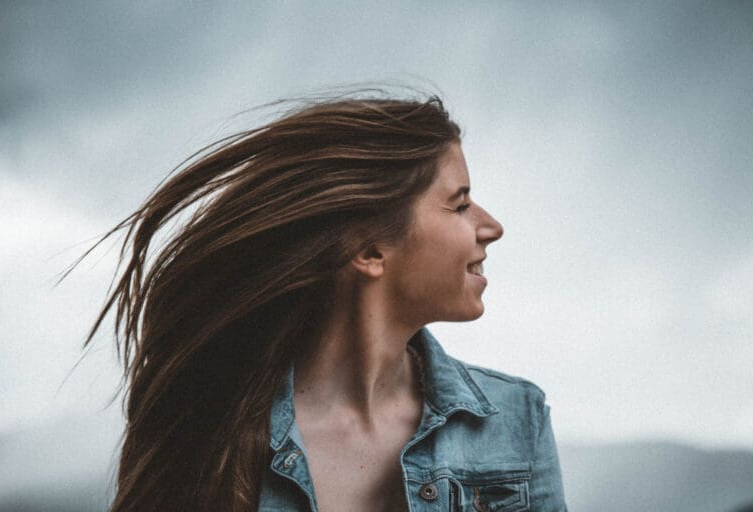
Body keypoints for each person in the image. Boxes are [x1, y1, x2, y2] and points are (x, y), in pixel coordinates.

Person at [84, 91, 567, 511]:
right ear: (370, 249)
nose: (491, 227)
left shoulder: (516, 419)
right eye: (459, 204)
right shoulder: (209, 429)